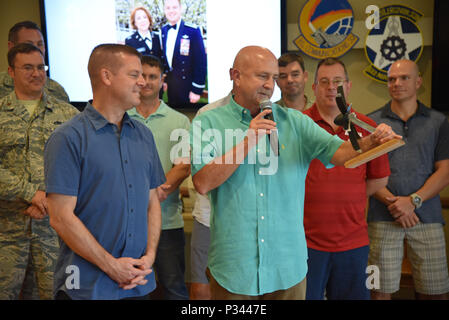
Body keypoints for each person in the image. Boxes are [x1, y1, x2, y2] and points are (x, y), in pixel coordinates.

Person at [190, 45, 401, 300]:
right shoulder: (208, 121)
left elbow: (342, 153)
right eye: (261, 76)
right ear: (235, 75)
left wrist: (373, 141)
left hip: (287, 267)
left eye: (273, 77)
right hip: (235, 268)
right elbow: (202, 182)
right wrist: (248, 140)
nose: (270, 85)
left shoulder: (296, 122)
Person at [44, 44, 166, 300]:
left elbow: (152, 201)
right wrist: (112, 266)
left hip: (138, 282)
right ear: (107, 76)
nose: (143, 83)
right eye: (134, 75)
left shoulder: (143, 135)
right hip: (86, 287)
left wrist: (150, 257)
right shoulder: (68, 137)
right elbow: (60, 217)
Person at [302, 57, 391, 300]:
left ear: (349, 86)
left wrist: (347, 197)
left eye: (338, 82)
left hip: (353, 243)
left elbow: (379, 180)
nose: (332, 88)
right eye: (324, 82)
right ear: (314, 88)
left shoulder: (367, 127)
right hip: (305, 243)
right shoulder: (300, 125)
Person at [0, 43, 78, 300]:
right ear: (11, 72)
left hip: (54, 231)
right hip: (7, 231)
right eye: (27, 68)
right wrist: (31, 193)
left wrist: (47, 200)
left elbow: (81, 164)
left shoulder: (68, 114)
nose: (37, 73)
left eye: (40, 67)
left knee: (55, 294)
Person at [367, 59, 449, 300]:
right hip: (382, 217)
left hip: (428, 218)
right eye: (392, 79)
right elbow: (366, 171)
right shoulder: (372, 122)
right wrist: (397, 204)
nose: (397, 83)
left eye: (404, 78)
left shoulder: (439, 122)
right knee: (378, 291)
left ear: (418, 82)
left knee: (435, 292)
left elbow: (445, 171)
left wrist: (412, 201)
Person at [127, 55, 190, 300]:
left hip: (167, 222)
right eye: (141, 75)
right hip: (128, 226)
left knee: (174, 287)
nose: (146, 82)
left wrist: (154, 195)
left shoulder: (179, 121)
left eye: (153, 76)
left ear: (162, 80)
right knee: (133, 288)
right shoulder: (121, 118)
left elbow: (183, 167)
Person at [189, 92, 232, 300]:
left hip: (246, 225)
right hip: (208, 218)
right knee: (201, 289)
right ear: (236, 76)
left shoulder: (269, 117)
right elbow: (202, 181)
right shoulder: (207, 114)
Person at [0, 21, 70, 103]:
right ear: (11, 47)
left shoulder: (57, 91)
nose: (36, 50)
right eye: (28, 45)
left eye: (40, 44)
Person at [161, 0, 207, 108]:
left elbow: (201, 62)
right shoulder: (163, 30)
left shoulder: (192, 30)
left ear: (180, 9)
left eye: (174, 7)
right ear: (164, 10)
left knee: (192, 121)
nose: (171, 11)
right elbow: (165, 59)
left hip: (187, 86)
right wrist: (165, 80)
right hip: (172, 86)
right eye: (168, 8)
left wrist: (196, 89)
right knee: (175, 120)